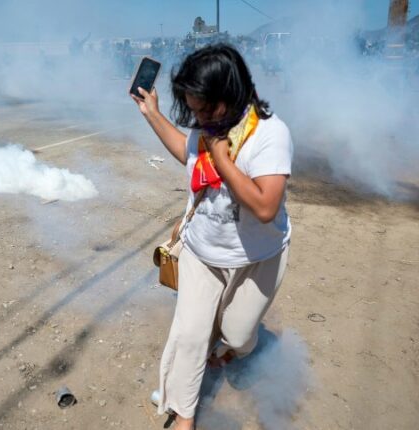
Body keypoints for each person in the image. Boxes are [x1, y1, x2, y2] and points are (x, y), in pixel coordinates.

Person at [130, 44, 292, 430]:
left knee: (238, 335)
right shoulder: (208, 126)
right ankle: (183, 416)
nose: (199, 119)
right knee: (189, 336)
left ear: (230, 94)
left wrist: (220, 157)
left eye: (205, 109)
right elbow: (186, 152)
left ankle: (238, 345)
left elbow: (265, 207)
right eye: (194, 110)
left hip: (256, 257)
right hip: (201, 252)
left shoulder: (269, 134)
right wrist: (152, 114)